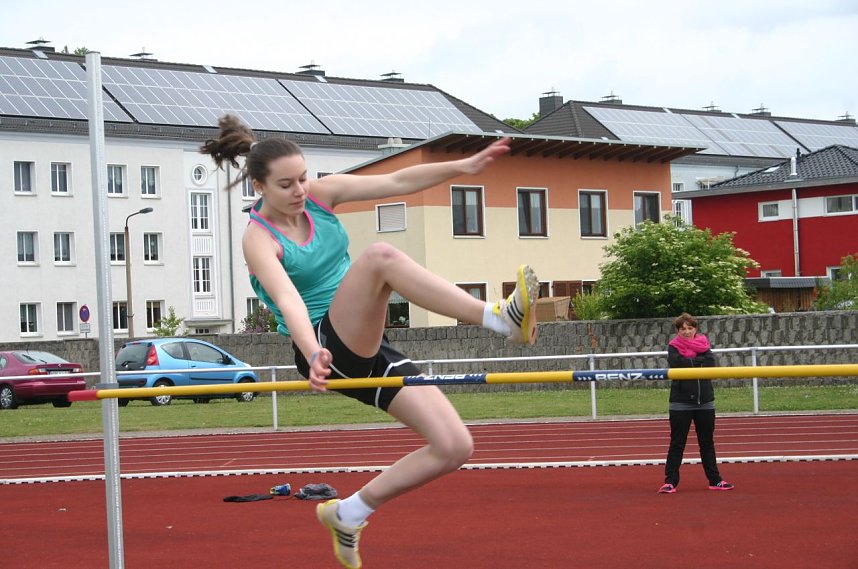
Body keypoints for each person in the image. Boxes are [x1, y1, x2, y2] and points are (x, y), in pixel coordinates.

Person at [201, 115, 539, 569]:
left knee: (454, 446)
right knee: (380, 257)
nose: (300, 190)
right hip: (323, 343)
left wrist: (465, 166)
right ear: (259, 187)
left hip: (361, 343)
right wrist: (310, 350)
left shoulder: (320, 196)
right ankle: (497, 319)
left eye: (303, 177)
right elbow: (286, 298)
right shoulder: (258, 238)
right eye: (286, 184)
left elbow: (398, 179)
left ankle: (348, 513)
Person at [658, 312, 734, 494]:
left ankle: (715, 480)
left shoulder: (704, 345)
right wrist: (696, 362)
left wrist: (690, 362)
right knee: (677, 443)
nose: (686, 331)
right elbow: (677, 364)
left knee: (707, 442)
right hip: (681, 402)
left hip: (705, 401)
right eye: (682, 328)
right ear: (677, 331)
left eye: (690, 328)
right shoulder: (673, 347)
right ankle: (670, 482)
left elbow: (710, 362)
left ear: (695, 329)